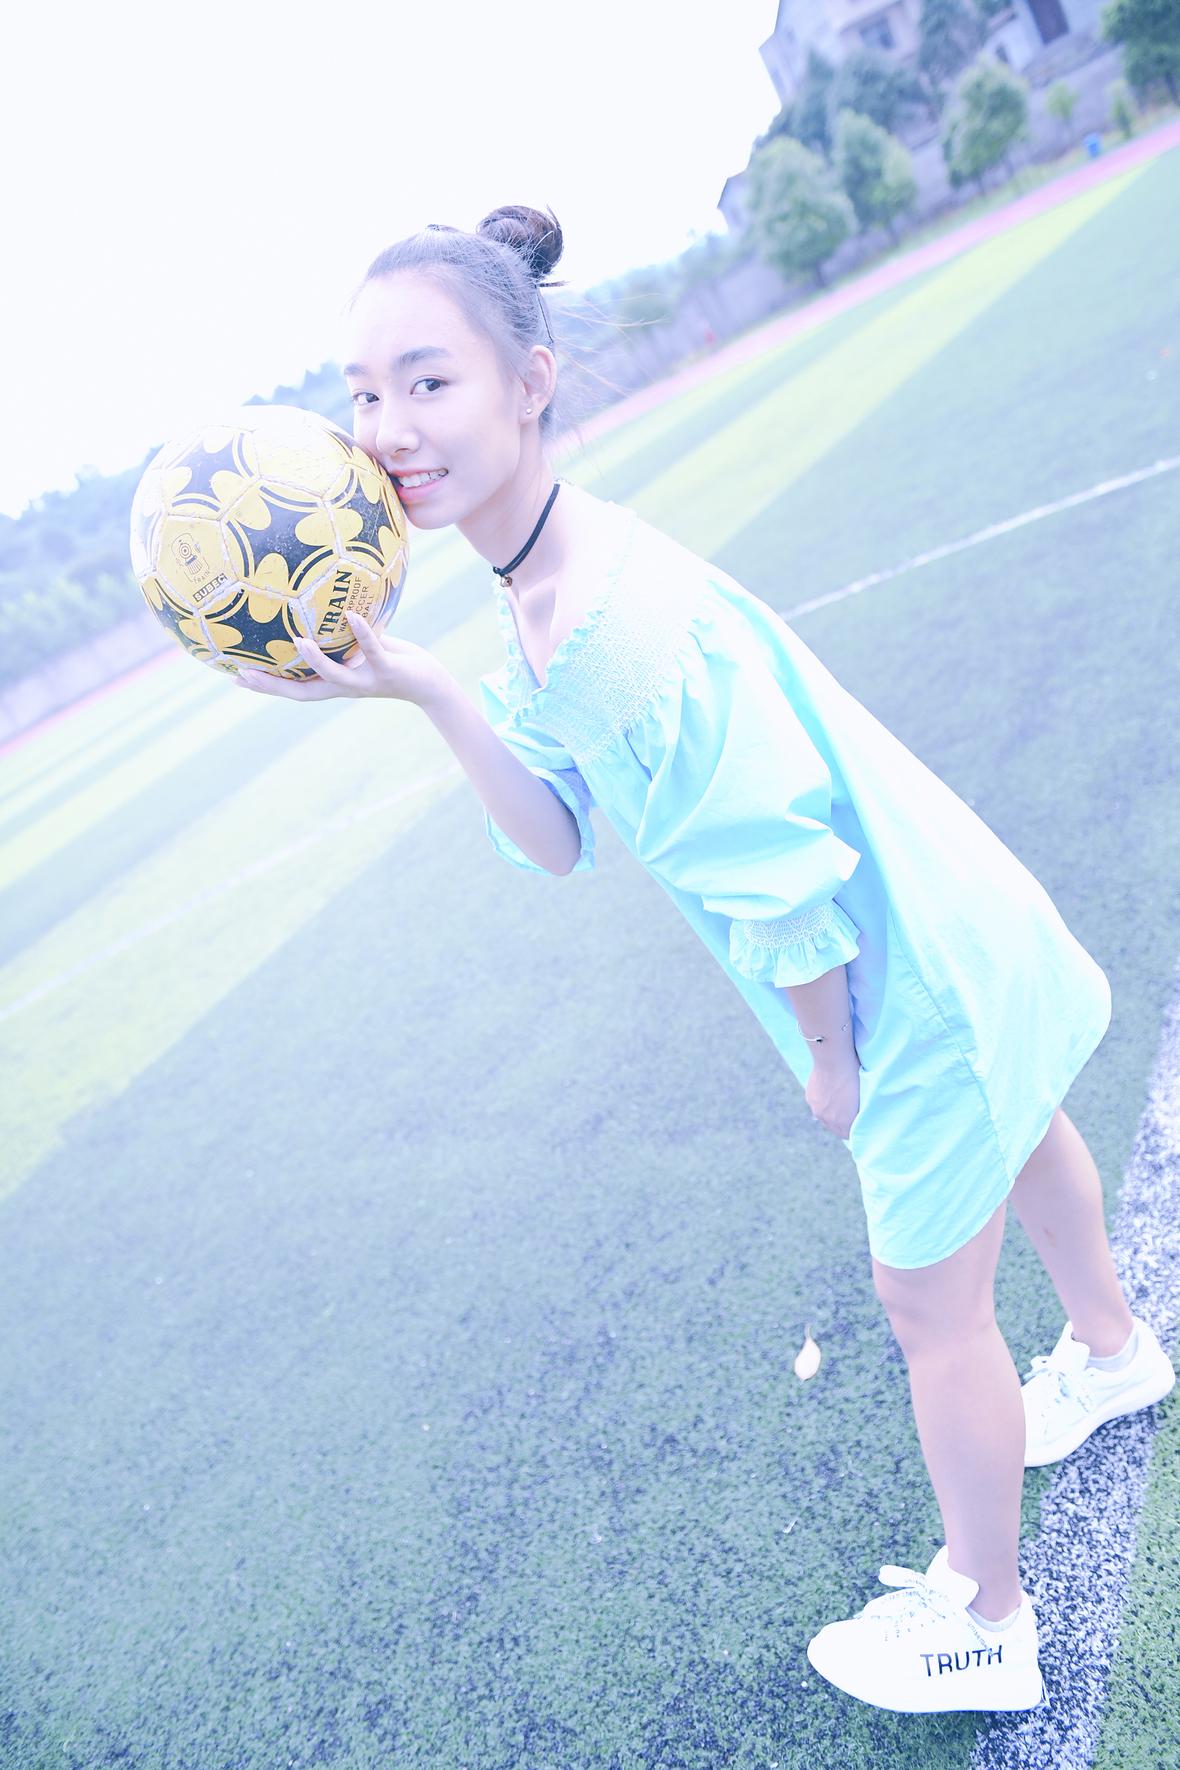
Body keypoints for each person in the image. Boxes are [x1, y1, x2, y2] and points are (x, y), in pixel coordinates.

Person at [236, 203, 1176, 1716]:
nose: (386, 429)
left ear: (531, 381)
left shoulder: (602, 631)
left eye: (428, 382)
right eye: (362, 393)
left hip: (899, 971)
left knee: (929, 1308)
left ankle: (987, 1616)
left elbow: (778, 864)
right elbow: (556, 834)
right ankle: (1114, 1348)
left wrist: (831, 1052)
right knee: (1023, 1123)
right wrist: (423, 687)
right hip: (941, 907)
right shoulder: (549, 579)